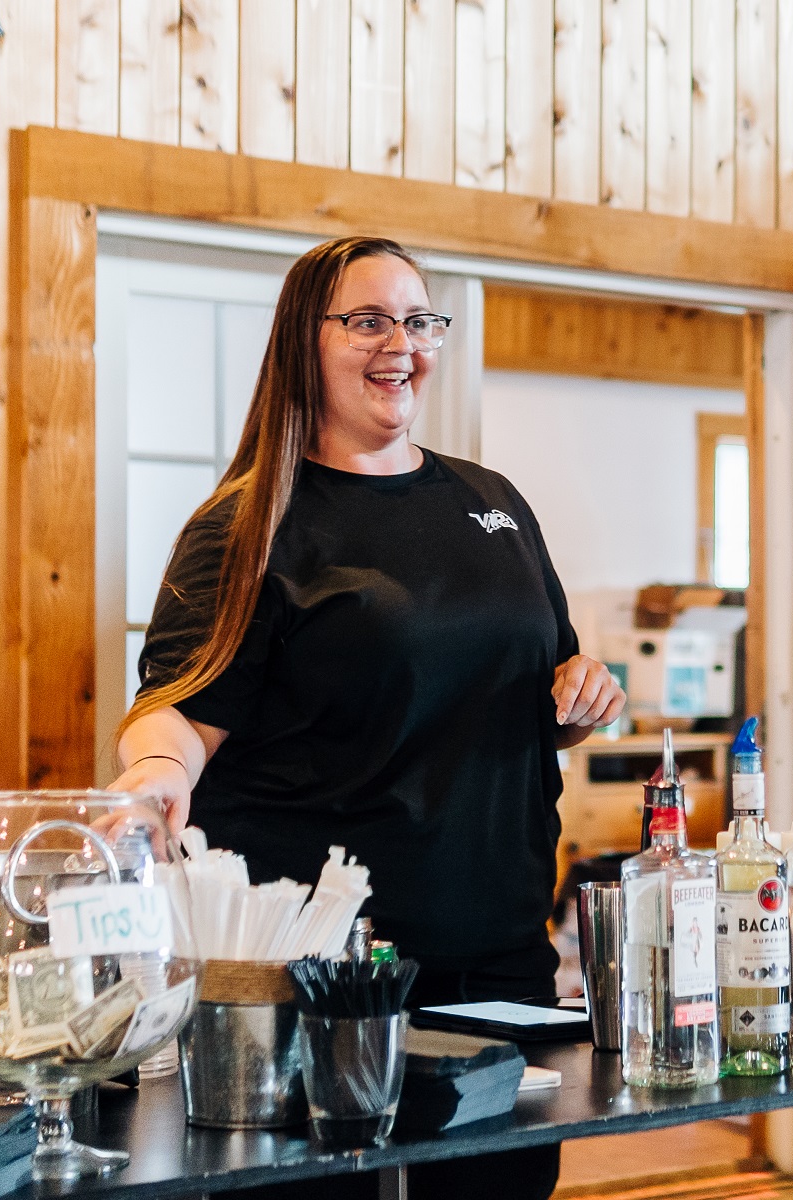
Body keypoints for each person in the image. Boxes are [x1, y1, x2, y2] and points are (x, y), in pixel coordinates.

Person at [110, 236, 624, 1200]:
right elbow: (179, 710)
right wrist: (155, 780)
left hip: (502, 959)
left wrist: (578, 697)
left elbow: (534, 683)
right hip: (331, 980)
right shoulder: (249, 522)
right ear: (305, 340)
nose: (402, 344)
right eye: (369, 320)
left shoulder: (494, 503)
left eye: (421, 321)